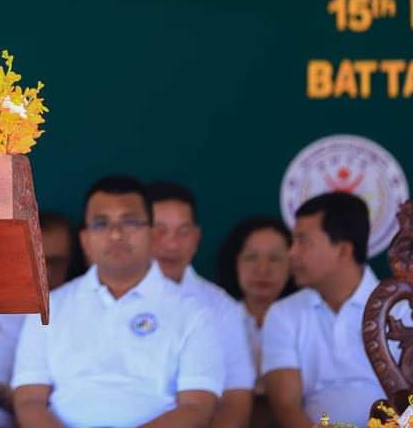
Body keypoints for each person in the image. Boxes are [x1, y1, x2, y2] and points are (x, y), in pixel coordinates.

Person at [12, 176, 223, 428]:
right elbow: (29, 400)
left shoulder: (193, 311)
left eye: (130, 222)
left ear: (152, 234)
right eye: (101, 223)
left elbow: (197, 406)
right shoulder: (50, 308)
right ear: (85, 240)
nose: (115, 234)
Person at [262, 192, 391, 428]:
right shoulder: (283, 314)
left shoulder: (401, 309)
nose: (291, 253)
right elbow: (285, 406)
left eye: (303, 241)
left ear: (343, 250)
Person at [148, 181, 256, 428]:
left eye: (183, 232)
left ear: (196, 238)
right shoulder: (113, 296)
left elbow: (236, 399)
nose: (172, 244)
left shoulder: (222, 307)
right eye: (159, 231)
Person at [0, 212, 84, 428]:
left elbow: (61, 403)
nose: (43, 270)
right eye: (33, 259)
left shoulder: (71, 318)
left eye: (55, 262)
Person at [217, 216, 295, 428]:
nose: (262, 269)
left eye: (275, 259)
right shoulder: (216, 318)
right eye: (251, 258)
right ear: (234, 263)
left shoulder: (306, 318)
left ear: (292, 264)